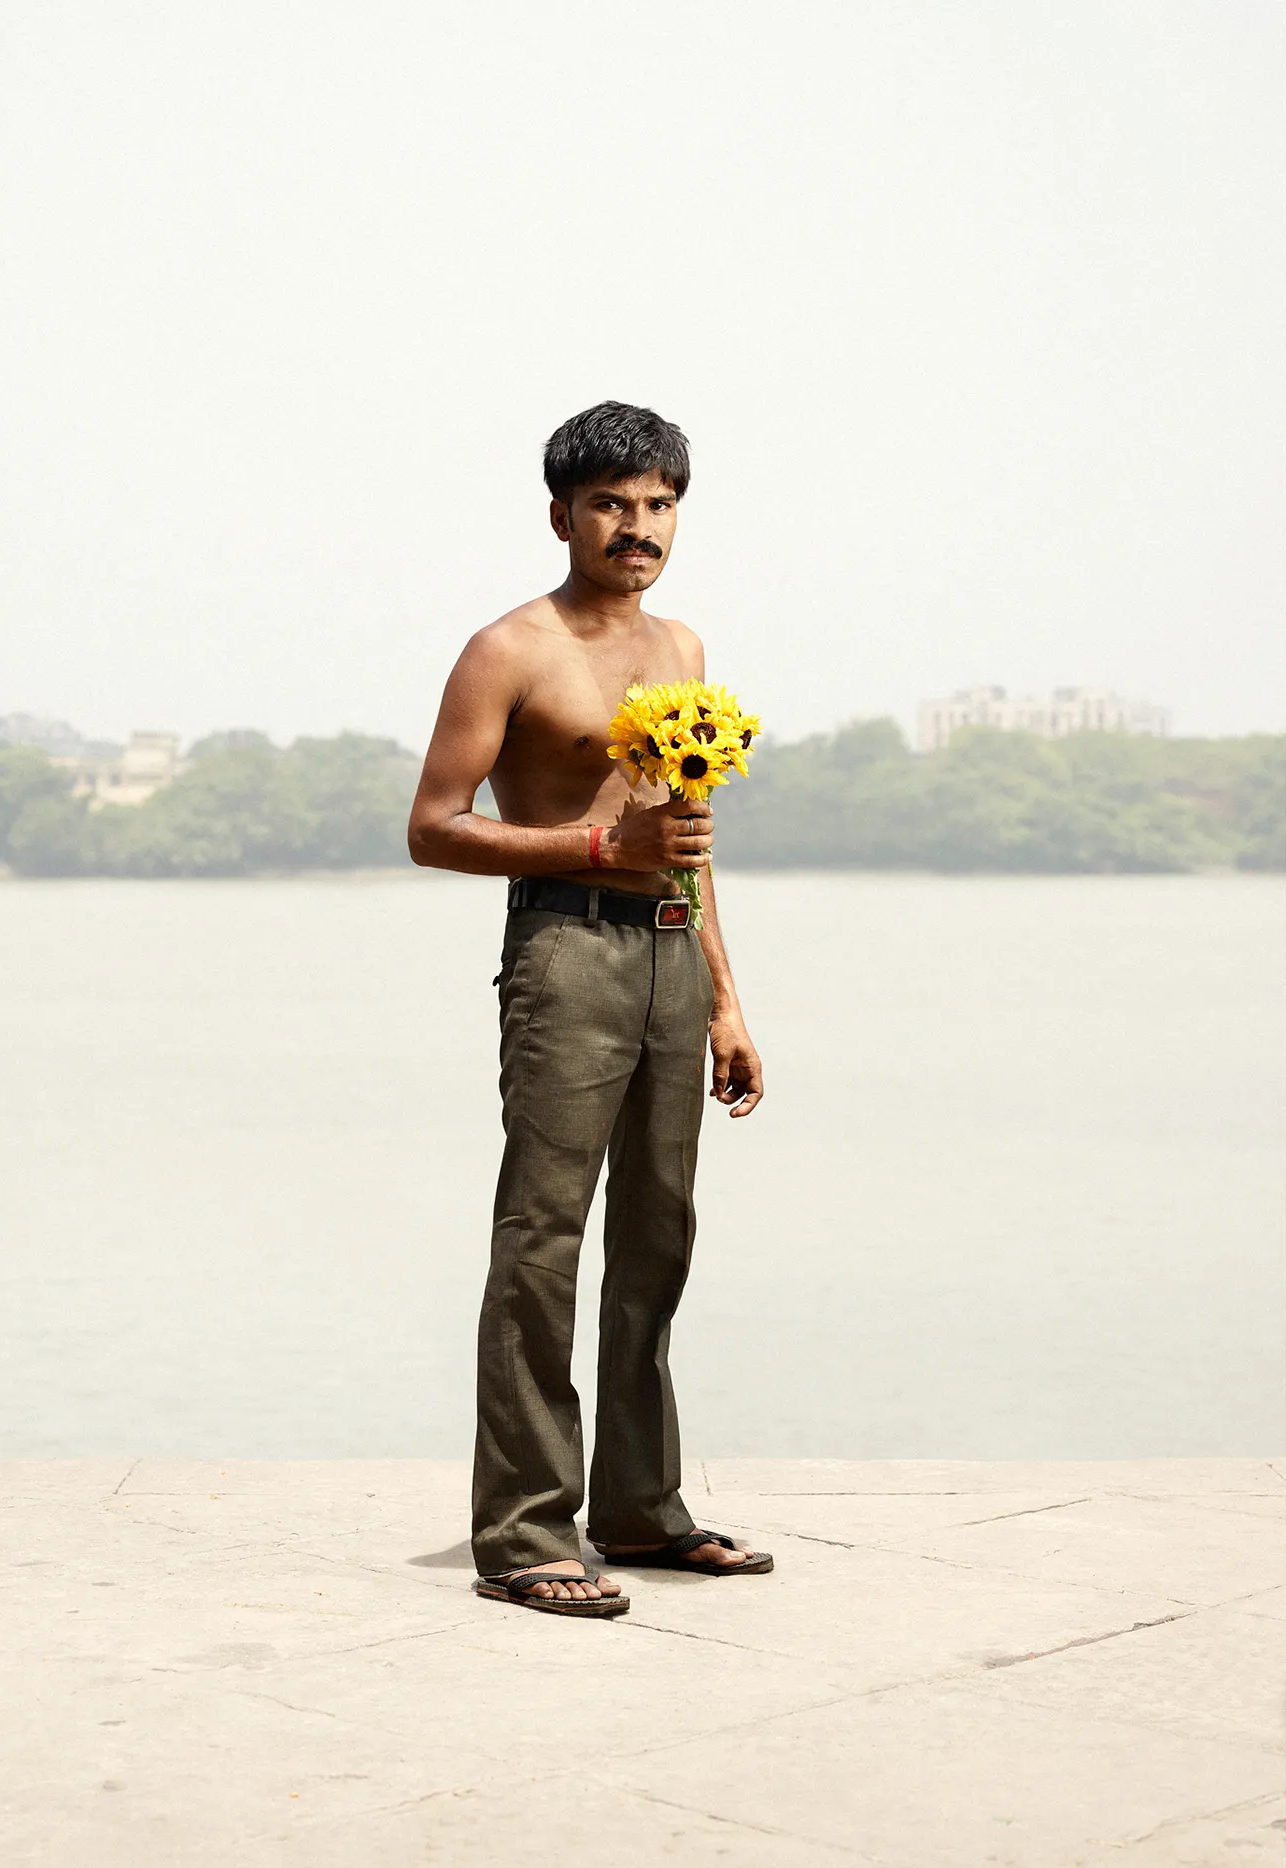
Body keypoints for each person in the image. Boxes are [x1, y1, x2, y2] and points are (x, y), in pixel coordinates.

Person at [408, 401, 771, 1617]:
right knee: (543, 1237)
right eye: (610, 503)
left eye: (658, 504)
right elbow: (432, 827)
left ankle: (637, 1507)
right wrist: (597, 844)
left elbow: (689, 841)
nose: (637, 526)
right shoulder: (508, 648)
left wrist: (726, 1001)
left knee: (658, 1235)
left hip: (672, 953)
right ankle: (523, 1531)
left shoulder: (682, 648)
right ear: (560, 514)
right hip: (565, 949)